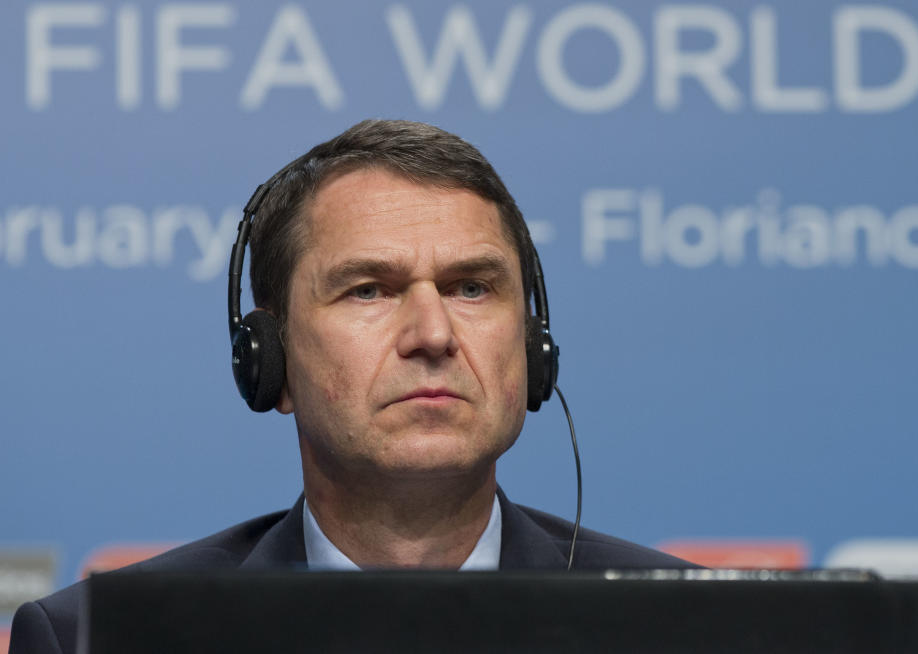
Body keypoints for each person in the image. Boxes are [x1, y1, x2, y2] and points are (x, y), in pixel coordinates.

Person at [10, 119, 694, 654]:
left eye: (472, 288)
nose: (433, 333)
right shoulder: (96, 641)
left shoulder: (690, 629)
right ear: (269, 361)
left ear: (533, 345)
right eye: (368, 290)